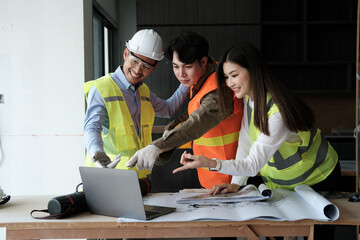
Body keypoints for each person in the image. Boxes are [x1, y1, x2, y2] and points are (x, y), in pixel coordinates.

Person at [173, 42, 341, 195]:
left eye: (234, 75)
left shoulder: (278, 113)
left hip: (318, 179)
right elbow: (245, 141)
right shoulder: (249, 99)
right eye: (226, 77)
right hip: (287, 185)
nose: (230, 83)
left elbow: (253, 165)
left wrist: (210, 163)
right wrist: (236, 183)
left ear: (253, 70)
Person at [126, 31, 243, 189]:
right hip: (213, 175)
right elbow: (191, 113)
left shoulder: (220, 89)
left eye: (187, 66)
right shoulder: (201, 78)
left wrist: (158, 146)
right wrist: (169, 133)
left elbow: (197, 122)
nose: (181, 74)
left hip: (233, 178)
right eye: (175, 66)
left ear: (203, 62)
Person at [83, 29, 189, 179]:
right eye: (135, 61)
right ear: (126, 54)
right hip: (106, 176)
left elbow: (168, 109)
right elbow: (91, 127)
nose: (138, 70)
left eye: (146, 66)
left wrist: (188, 80)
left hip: (138, 178)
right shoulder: (102, 88)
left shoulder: (143, 91)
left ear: (154, 68)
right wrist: (96, 151)